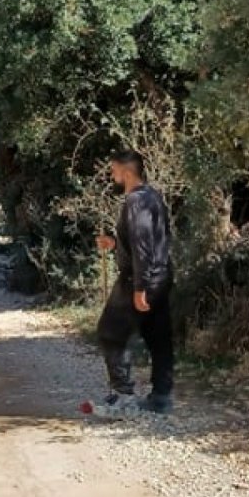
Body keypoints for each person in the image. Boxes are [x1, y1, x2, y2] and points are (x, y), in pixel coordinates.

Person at [95, 150, 175, 414]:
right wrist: (115, 244)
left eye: (114, 169)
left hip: (139, 279)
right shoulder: (152, 196)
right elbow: (147, 242)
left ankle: (123, 393)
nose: (112, 174)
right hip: (161, 276)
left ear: (127, 172)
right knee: (158, 337)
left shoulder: (135, 202)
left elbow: (143, 248)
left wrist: (140, 288)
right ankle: (161, 397)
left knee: (110, 332)